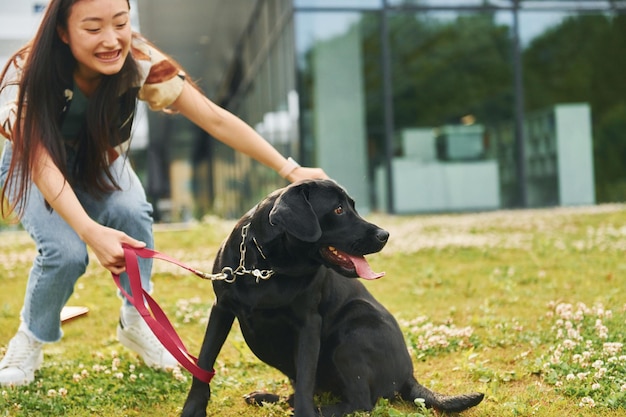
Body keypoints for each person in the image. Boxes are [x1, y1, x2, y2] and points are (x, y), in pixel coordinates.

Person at [0, 0, 327, 386]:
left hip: (101, 163)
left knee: (133, 214)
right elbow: (39, 161)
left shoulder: (140, 63)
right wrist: (90, 233)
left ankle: (136, 320)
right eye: (93, 28)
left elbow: (213, 117)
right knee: (65, 254)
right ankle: (30, 338)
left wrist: (290, 169)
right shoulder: (26, 74)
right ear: (62, 31)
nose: (111, 40)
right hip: (35, 166)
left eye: (120, 23)